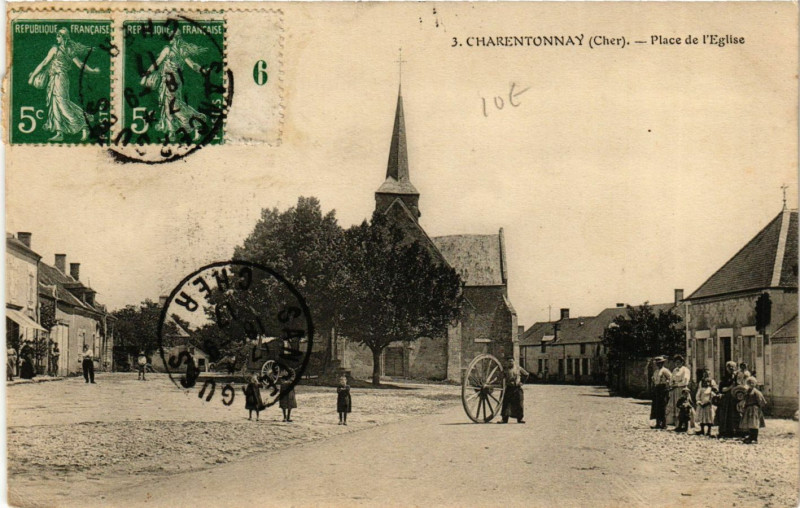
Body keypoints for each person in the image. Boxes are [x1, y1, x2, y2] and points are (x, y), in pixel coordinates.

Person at [27, 27, 100, 142]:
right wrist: (92, 71)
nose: (57, 38)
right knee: (55, 104)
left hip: (60, 79)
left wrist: (32, 77)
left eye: (58, 36)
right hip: (55, 79)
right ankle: (59, 132)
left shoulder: (59, 49)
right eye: (57, 36)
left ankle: (83, 125)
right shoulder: (65, 49)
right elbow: (79, 65)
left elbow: (79, 65)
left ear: (63, 38)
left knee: (62, 104)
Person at [140, 31, 207, 141]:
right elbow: (193, 65)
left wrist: (146, 75)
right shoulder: (181, 50)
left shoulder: (170, 50)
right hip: (171, 80)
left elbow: (157, 62)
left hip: (171, 81)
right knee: (167, 104)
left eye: (172, 37)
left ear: (175, 38)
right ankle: (172, 131)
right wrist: (202, 70)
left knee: (173, 105)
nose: (170, 40)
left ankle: (196, 122)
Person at [499, 357, 528, 424]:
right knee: (506, 404)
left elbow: (526, 374)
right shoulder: (505, 370)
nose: (510, 363)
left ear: (514, 362)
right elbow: (500, 377)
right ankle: (504, 419)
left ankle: (520, 419)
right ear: (507, 362)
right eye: (509, 361)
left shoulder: (518, 368)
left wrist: (522, 382)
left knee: (519, 404)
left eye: (512, 361)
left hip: (517, 388)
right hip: (509, 388)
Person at [715, 361, 740, 438]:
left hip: (735, 398)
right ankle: (724, 431)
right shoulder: (724, 378)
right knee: (725, 414)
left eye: (733, 367)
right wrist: (730, 387)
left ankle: (735, 430)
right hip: (727, 398)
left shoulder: (737, 377)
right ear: (727, 368)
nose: (731, 368)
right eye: (730, 367)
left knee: (735, 414)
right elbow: (722, 389)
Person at [739, 376, 767, 444]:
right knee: (749, 423)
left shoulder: (757, 392)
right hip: (748, 408)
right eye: (749, 383)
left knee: (754, 424)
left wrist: (758, 409)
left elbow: (762, 402)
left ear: (755, 384)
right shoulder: (747, 392)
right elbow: (744, 399)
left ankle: (754, 438)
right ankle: (750, 437)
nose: (751, 384)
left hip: (754, 409)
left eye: (752, 383)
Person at [668, 355, 691, 427]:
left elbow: (685, 381)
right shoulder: (674, 370)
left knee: (682, 406)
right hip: (674, 390)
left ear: (682, 362)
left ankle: (684, 423)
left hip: (682, 390)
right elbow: (671, 379)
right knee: (675, 405)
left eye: (679, 362)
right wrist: (671, 384)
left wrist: (677, 384)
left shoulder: (685, 370)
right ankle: (675, 422)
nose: (677, 364)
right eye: (676, 362)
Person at [650, 356, 671, 429]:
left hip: (663, 389)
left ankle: (664, 424)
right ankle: (658, 423)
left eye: (660, 363)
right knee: (656, 406)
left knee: (662, 406)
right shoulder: (656, 371)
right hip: (657, 389)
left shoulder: (665, 371)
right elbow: (654, 380)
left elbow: (670, 378)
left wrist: (667, 383)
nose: (658, 364)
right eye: (657, 363)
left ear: (663, 363)